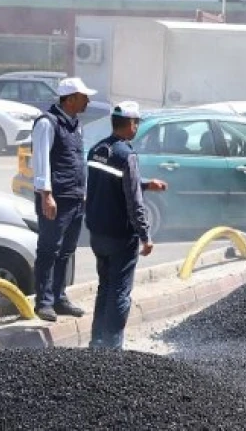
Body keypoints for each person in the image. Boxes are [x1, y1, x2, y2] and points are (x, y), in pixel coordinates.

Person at [85, 101, 167, 350]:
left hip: (98, 232)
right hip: (121, 236)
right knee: (120, 292)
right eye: (137, 122)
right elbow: (133, 200)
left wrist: (145, 183)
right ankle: (113, 348)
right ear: (130, 124)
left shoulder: (97, 150)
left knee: (105, 287)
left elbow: (111, 183)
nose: (137, 127)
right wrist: (145, 235)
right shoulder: (127, 155)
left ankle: (97, 341)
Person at [30, 76, 96, 322]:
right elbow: (41, 161)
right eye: (83, 97)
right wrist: (46, 195)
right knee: (49, 249)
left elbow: (77, 161)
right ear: (70, 99)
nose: (88, 100)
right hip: (56, 198)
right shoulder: (47, 123)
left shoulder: (75, 124)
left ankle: (59, 297)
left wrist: (84, 192)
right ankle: (44, 302)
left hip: (75, 197)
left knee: (66, 250)